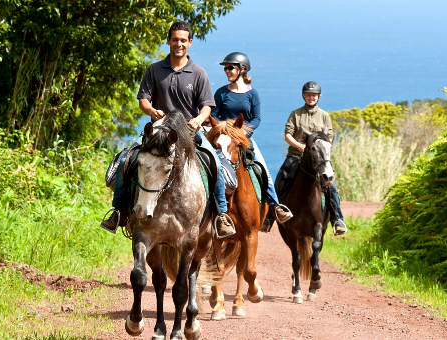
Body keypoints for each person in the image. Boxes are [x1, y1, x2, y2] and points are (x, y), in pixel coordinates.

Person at [100, 21, 236, 238]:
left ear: (190, 43)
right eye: (175, 39)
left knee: (216, 163)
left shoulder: (198, 73)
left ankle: (221, 216)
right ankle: (117, 211)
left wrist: (199, 119)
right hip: (158, 130)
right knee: (127, 159)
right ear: (168, 41)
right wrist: (152, 111)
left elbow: (207, 105)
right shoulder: (154, 69)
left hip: (189, 131)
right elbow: (143, 100)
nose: (179, 44)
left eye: (183, 40)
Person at [210, 52, 293, 224]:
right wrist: (226, 130)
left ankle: (275, 207)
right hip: (224, 139)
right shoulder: (220, 93)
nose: (227, 71)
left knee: (262, 168)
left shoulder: (252, 94)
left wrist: (243, 132)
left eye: (230, 67)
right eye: (225, 68)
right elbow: (214, 115)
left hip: (244, 138)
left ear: (242, 69)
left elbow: (256, 118)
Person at [268, 81, 347, 235]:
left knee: (332, 187)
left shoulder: (324, 116)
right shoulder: (295, 114)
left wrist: (321, 149)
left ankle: (337, 219)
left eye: (314, 95)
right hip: (296, 155)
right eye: (308, 95)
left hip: (318, 159)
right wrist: (299, 145)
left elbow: (329, 138)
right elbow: (288, 135)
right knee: (280, 179)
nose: (311, 97)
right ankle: (269, 217)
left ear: (319, 96)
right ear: (303, 96)